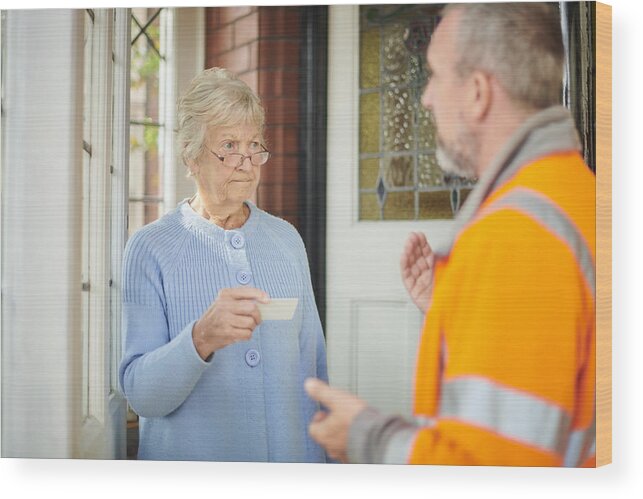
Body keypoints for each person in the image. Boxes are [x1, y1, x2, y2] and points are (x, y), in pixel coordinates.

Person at [306, 2, 596, 467]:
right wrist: (459, 307)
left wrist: (366, 437)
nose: (424, 98)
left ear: (478, 93)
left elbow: (488, 471)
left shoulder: (513, 237)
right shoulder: (581, 197)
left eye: (435, 75)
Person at [119, 67, 328, 462]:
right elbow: (141, 394)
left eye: (254, 145)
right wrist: (200, 338)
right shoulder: (149, 249)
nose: (247, 162)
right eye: (229, 145)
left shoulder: (287, 240)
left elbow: (313, 372)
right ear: (191, 156)